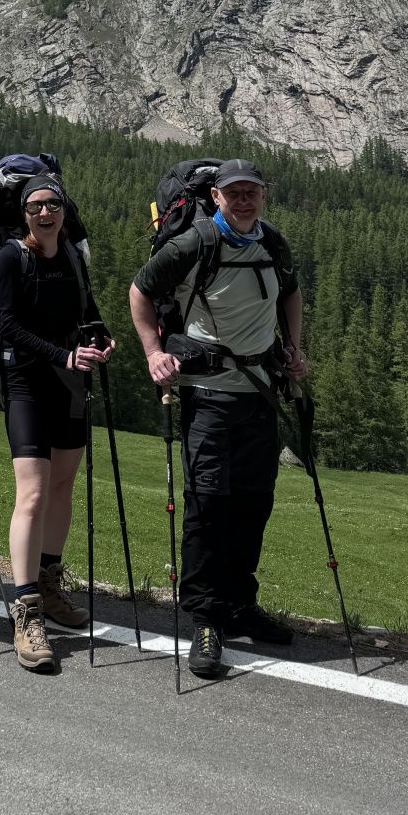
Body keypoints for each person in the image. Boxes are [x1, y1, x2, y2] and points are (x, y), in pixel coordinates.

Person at [129, 158, 307, 678]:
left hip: (260, 393)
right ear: (216, 197)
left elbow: (291, 292)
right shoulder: (195, 243)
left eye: (252, 192)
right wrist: (153, 353)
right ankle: (206, 618)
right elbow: (140, 292)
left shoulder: (272, 243)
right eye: (234, 193)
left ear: (264, 195)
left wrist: (294, 347)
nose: (244, 200)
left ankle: (239, 603)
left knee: (254, 502)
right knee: (207, 504)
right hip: (207, 394)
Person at [0, 174, 112, 673]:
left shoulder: (73, 256)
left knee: (62, 486)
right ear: (24, 213)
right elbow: (6, 326)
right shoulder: (10, 258)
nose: (45, 213)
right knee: (34, 494)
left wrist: (101, 338)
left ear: (64, 210)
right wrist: (63, 355)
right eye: (35, 206)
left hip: (70, 384)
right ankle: (26, 611)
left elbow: (88, 310)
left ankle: (48, 582)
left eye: (53, 205)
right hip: (27, 385)